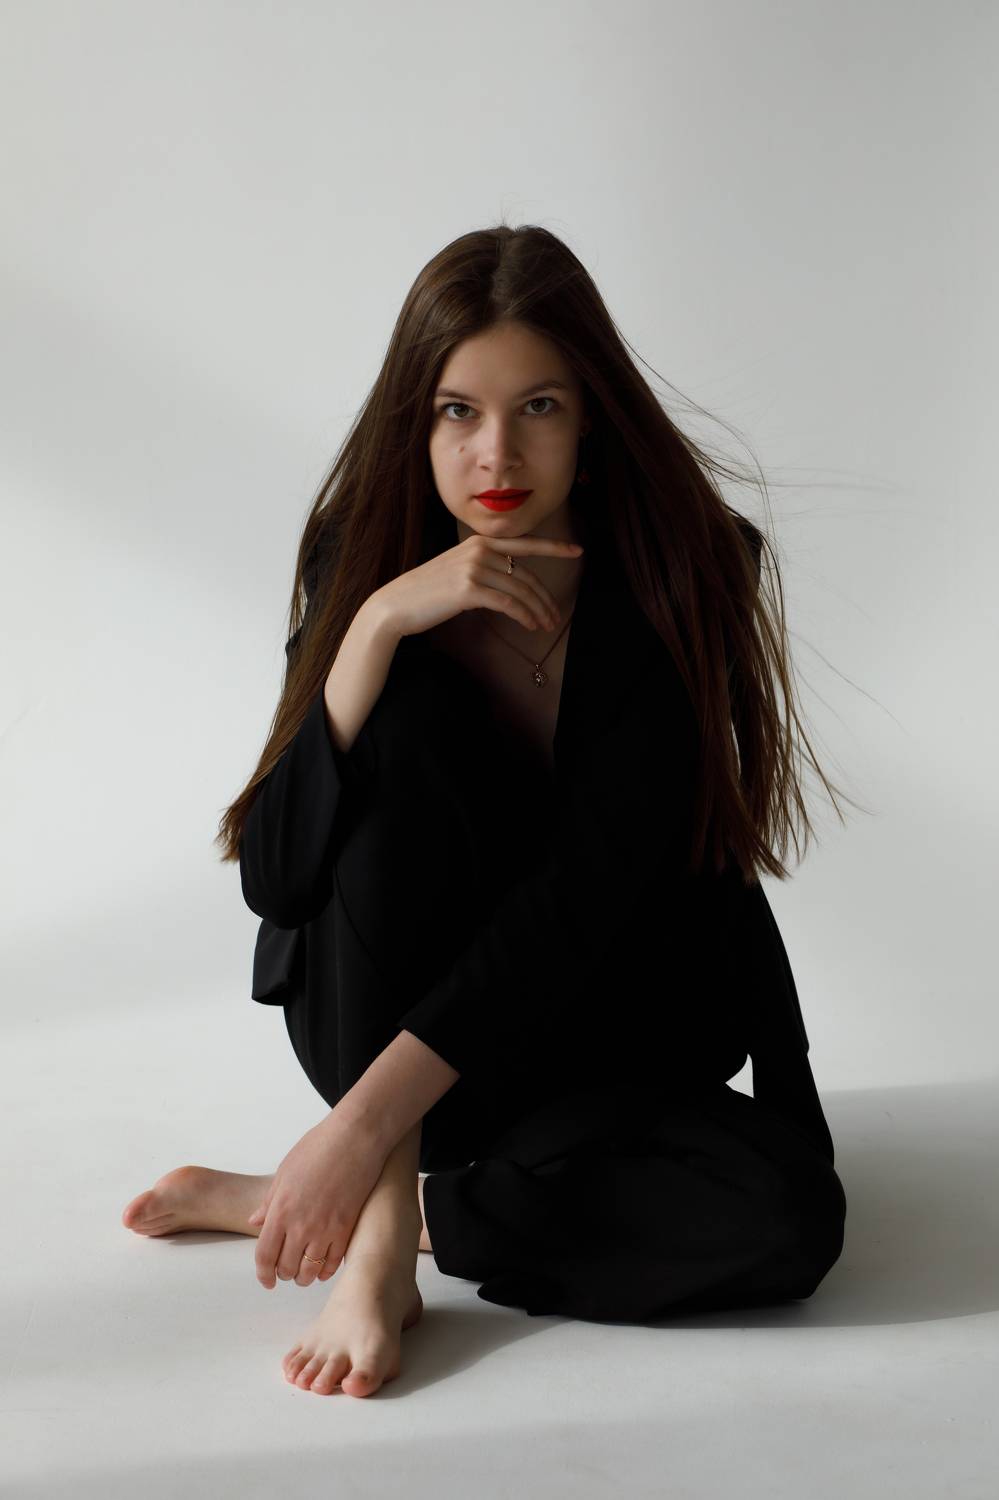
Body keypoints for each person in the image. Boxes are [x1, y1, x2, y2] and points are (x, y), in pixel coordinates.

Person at [122, 224, 851, 1399]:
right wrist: (373, 628)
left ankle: (374, 1201)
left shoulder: (684, 570)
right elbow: (280, 877)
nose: (494, 453)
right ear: (415, 425)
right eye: (457, 412)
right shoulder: (363, 558)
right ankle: (375, 1249)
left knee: (789, 1221)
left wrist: (356, 1136)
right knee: (399, 727)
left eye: (539, 407)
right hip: (386, 1025)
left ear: (592, 416)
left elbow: (587, 896)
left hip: (595, 1031)